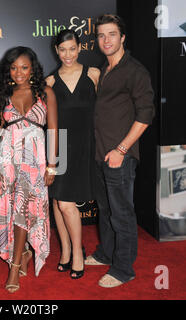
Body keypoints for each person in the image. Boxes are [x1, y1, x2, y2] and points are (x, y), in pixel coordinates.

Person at [85, 14, 155, 288]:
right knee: (105, 209)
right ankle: (106, 253)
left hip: (119, 157)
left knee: (122, 213)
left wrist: (122, 150)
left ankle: (124, 268)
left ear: (122, 37)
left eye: (112, 34)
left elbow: (146, 115)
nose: (106, 40)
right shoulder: (103, 69)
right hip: (100, 154)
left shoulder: (135, 71)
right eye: (101, 35)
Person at [0, 46, 58, 293]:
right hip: (8, 159)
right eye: (14, 67)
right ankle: (24, 254)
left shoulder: (46, 92)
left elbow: (52, 129)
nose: (18, 72)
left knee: (24, 209)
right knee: (12, 210)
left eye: (24, 67)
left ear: (33, 69)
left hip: (34, 160)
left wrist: (52, 166)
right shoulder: (4, 93)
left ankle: (15, 265)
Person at [46, 29, 100, 279]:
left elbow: (105, 112)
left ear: (80, 48)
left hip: (86, 145)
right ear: (57, 51)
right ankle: (67, 250)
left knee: (65, 202)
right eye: (62, 49)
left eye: (72, 48)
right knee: (59, 199)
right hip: (61, 145)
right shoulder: (50, 82)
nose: (68, 54)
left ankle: (77, 252)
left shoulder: (94, 74)